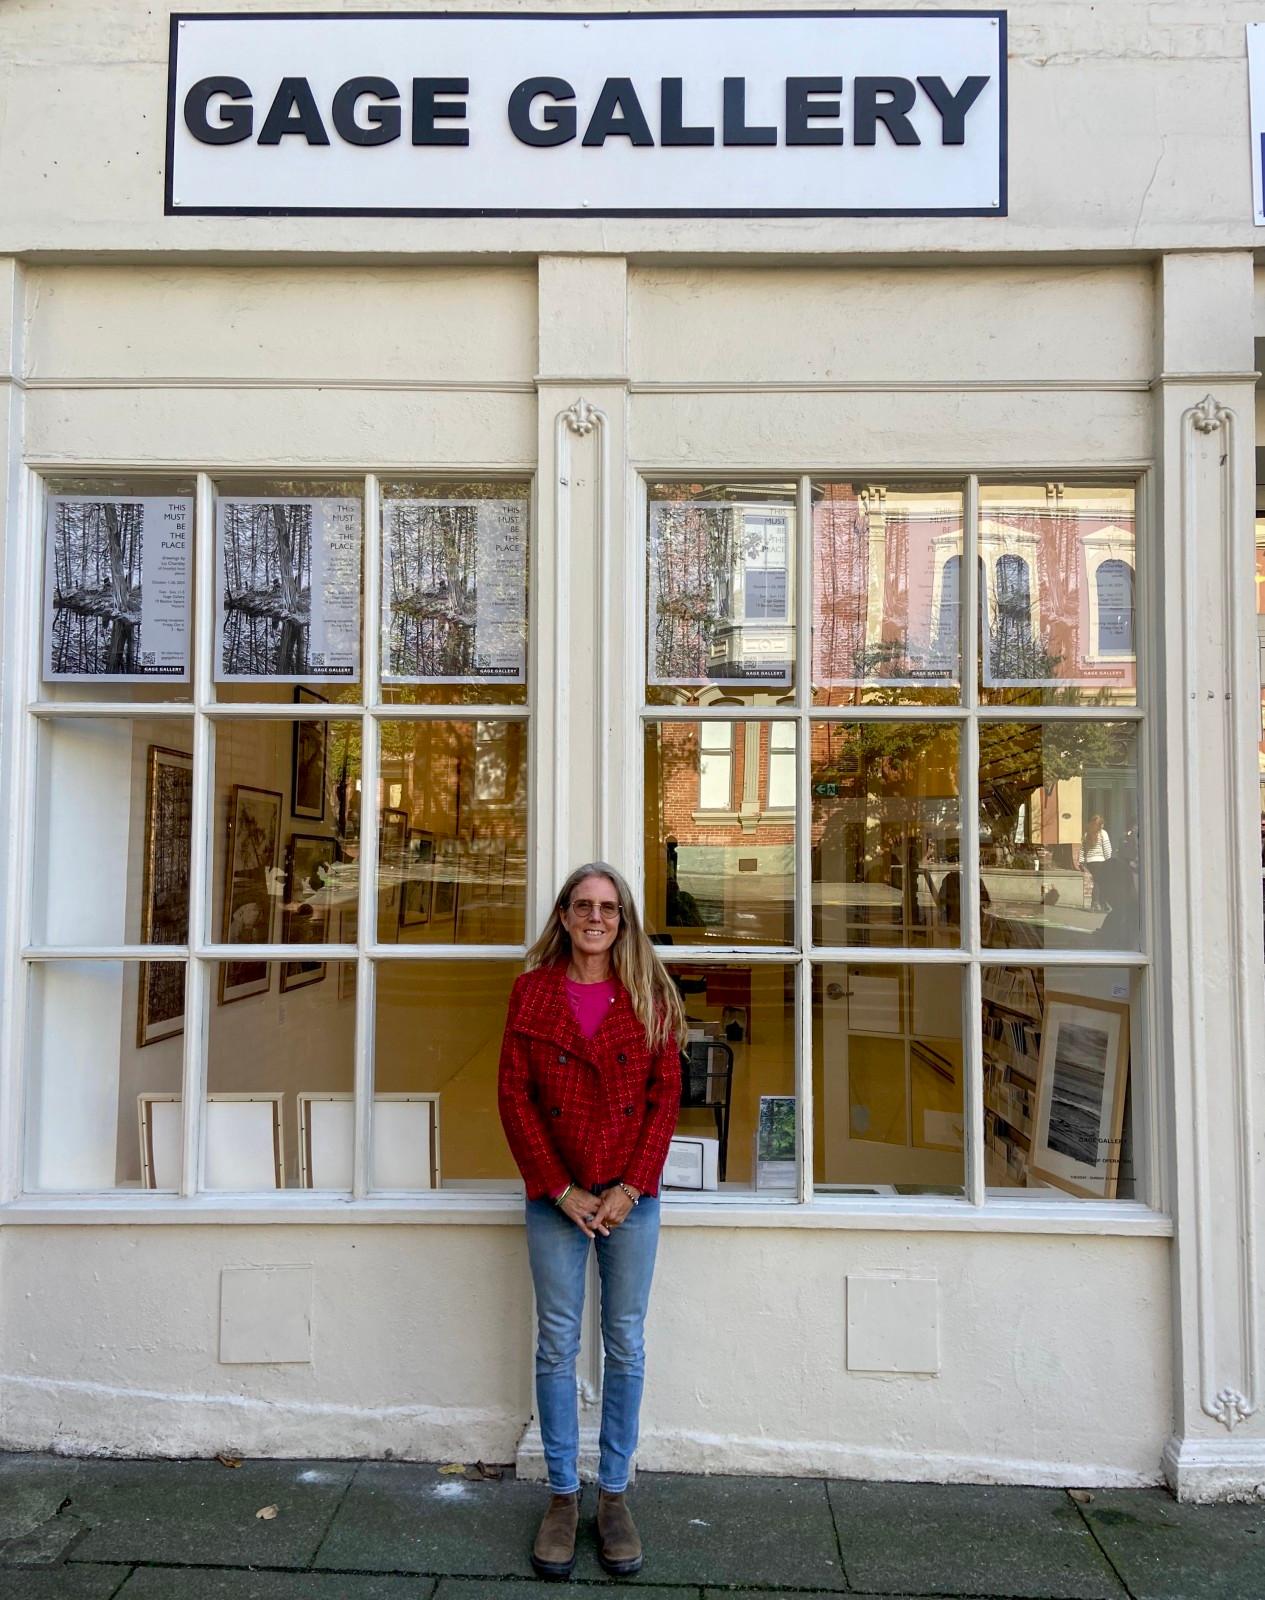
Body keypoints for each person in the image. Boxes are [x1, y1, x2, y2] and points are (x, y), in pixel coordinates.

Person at [498, 862, 686, 1580]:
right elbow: (514, 1099)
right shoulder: (531, 993)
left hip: (629, 1198)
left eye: (608, 907)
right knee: (555, 1343)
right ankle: (560, 1497)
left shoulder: (650, 993)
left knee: (624, 1343)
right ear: (564, 915)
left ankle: (613, 1495)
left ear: (624, 919)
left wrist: (632, 1187)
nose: (595, 917)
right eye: (583, 905)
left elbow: (665, 1098)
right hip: (558, 1198)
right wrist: (560, 1188)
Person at [1082, 814, 1113, 912]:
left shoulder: (1087, 834)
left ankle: (1097, 904)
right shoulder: (1103, 833)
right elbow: (1107, 848)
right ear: (1100, 825)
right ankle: (1100, 903)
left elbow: (1083, 849)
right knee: (1101, 882)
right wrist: (1109, 860)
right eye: (1102, 824)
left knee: (1097, 882)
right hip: (1101, 861)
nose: (1103, 826)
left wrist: (1082, 861)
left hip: (1090, 862)